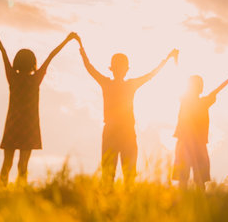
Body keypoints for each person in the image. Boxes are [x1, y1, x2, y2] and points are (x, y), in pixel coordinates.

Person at [76, 35, 178, 186]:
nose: (119, 70)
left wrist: (81, 47)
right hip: (122, 131)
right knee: (121, 173)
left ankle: (113, 201)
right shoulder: (126, 84)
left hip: (118, 131)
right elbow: (151, 74)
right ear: (125, 69)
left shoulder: (109, 83)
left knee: (115, 173)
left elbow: (89, 67)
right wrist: (166, 58)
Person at [0, 25, 77, 186]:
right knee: (23, 165)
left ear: (16, 62)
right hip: (29, 126)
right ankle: (20, 195)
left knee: (7, 164)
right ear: (33, 63)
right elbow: (51, 56)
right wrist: (67, 39)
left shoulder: (12, 78)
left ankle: (1, 192)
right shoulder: (35, 79)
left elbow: (2, 51)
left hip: (13, 125)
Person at [173, 69, 228, 188]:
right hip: (193, 144)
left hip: (188, 143)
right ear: (200, 88)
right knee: (196, 179)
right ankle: (191, 201)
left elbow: (216, 90)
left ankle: (186, 201)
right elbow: (217, 90)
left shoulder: (187, 101)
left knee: (192, 179)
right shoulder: (199, 102)